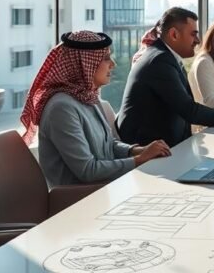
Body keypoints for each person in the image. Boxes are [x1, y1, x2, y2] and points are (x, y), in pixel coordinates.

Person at [21, 31, 171, 186]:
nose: (113, 64)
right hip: (77, 199)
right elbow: (88, 170)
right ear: (84, 64)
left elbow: (108, 144)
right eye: (106, 58)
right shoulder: (61, 108)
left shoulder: (88, 97)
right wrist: (140, 160)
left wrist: (138, 150)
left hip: (102, 188)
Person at [116, 8, 214, 147]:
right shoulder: (159, 61)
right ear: (174, 34)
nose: (198, 40)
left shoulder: (166, 57)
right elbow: (188, 109)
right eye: (193, 34)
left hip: (169, 144)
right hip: (149, 149)